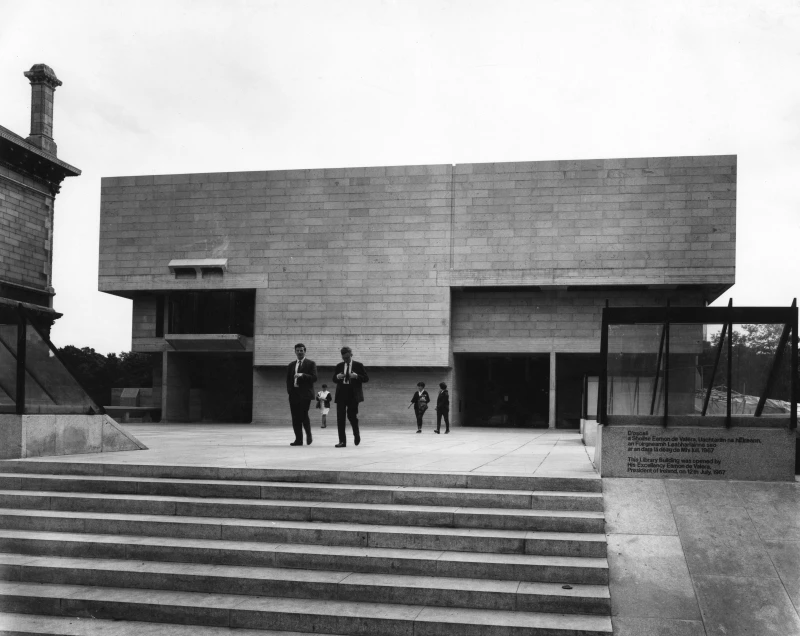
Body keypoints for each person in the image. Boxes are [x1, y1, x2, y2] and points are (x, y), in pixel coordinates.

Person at [332, 346, 368, 447]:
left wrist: (356, 376)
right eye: (344, 358)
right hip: (341, 394)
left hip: (353, 395)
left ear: (351, 355)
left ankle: (356, 434)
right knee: (340, 418)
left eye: (347, 358)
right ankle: (342, 441)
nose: (346, 360)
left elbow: (366, 378)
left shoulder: (359, 365)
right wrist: (337, 377)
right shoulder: (339, 366)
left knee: (352, 416)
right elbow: (334, 379)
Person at [286, 343, 317, 446]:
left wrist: (303, 375)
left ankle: (308, 434)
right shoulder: (291, 365)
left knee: (303, 414)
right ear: (295, 352)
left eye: (301, 350)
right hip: (294, 394)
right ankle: (298, 440)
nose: (299, 352)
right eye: (298, 350)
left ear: (305, 351)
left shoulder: (311, 364)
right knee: (295, 417)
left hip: (305, 394)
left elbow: (314, 378)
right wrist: (290, 391)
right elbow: (288, 380)